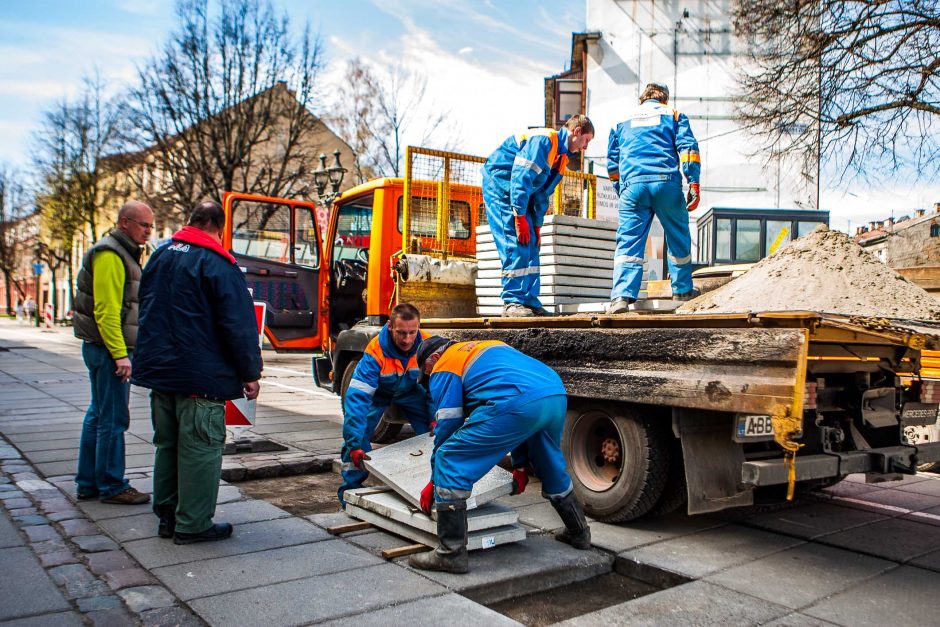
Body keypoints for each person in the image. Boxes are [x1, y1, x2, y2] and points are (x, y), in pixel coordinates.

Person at [132, 201, 262, 544]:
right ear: (220, 228)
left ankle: (167, 516)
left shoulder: (159, 256)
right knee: (201, 448)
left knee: (168, 445)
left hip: (161, 373)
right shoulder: (218, 263)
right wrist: (250, 372)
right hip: (200, 377)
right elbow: (238, 324)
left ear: (191, 221)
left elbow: (144, 309)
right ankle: (192, 524)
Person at [409, 336, 591, 574]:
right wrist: (521, 464)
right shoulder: (487, 346)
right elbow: (511, 396)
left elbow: (448, 425)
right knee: (550, 464)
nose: (430, 379)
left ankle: (450, 553)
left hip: (519, 400)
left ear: (433, 358)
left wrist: (435, 480)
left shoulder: (445, 364)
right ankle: (579, 533)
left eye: (427, 373)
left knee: (449, 458)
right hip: (553, 392)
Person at [72, 200, 154, 505]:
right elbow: (107, 310)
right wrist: (120, 354)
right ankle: (112, 484)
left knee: (98, 414)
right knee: (113, 418)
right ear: (124, 223)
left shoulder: (120, 252)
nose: (148, 231)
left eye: (150, 226)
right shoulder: (111, 254)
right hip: (109, 351)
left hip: (101, 348)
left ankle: (88, 483)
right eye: (143, 225)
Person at [482, 115, 595, 317]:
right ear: (577, 131)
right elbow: (520, 177)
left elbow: (542, 194)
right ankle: (512, 301)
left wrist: (536, 225)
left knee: (532, 243)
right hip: (500, 186)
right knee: (514, 241)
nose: (584, 147)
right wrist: (519, 217)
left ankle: (529, 301)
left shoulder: (561, 160)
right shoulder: (544, 141)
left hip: (519, 193)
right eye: (586, 140)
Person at [606, 82, 702, 314]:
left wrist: (623, 188)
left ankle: (621, 296)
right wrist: (693, 182)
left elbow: (612, 160)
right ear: (664, 99)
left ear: (643, 99)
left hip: (632, 186)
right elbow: (688, 148)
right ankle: (682, 289)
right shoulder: (674, 114)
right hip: (665, 182)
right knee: (678, 235)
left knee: (628, 242)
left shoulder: (621, 120)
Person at [338, 303, 432, 506]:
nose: (407, 339)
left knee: (434, 433)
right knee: (358, 437)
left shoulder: (427, 344)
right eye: (401, 333)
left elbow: (436, 387)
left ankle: (431, 483)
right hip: (379, 393)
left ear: (419, 327)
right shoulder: (375, 352)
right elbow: (357, 400)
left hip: (410, 391)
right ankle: (350, 492)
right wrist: (355, 444)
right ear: (390, 326)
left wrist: (435, 417)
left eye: (412, 332)